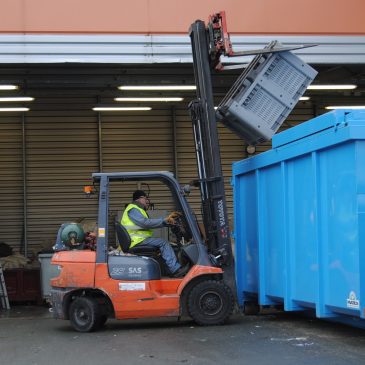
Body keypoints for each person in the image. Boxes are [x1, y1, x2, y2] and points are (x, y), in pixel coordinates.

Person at [120, 190, 189, 278]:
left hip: (138, 240)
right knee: (163, 243)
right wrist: (164, 220)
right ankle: (175, 270)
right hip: (136, 241)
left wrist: (165, 223)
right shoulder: (133, 209)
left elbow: (147, 223)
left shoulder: (137, 209)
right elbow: (145, 223)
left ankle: (169, 269)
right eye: (145, 199)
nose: (147, 201)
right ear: (140, 199)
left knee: (164, 243)